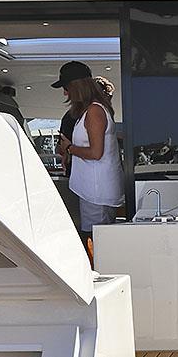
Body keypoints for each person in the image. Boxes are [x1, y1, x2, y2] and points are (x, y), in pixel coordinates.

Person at [52, 60, 124, 252]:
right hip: (93, 191)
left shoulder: (94, 111)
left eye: (66, 87)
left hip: (97, 192)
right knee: (96, 243)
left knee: (96, 246)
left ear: (76, 87)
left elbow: (95, 152)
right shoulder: (92, 110)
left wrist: (69, 149)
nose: (65, 93)